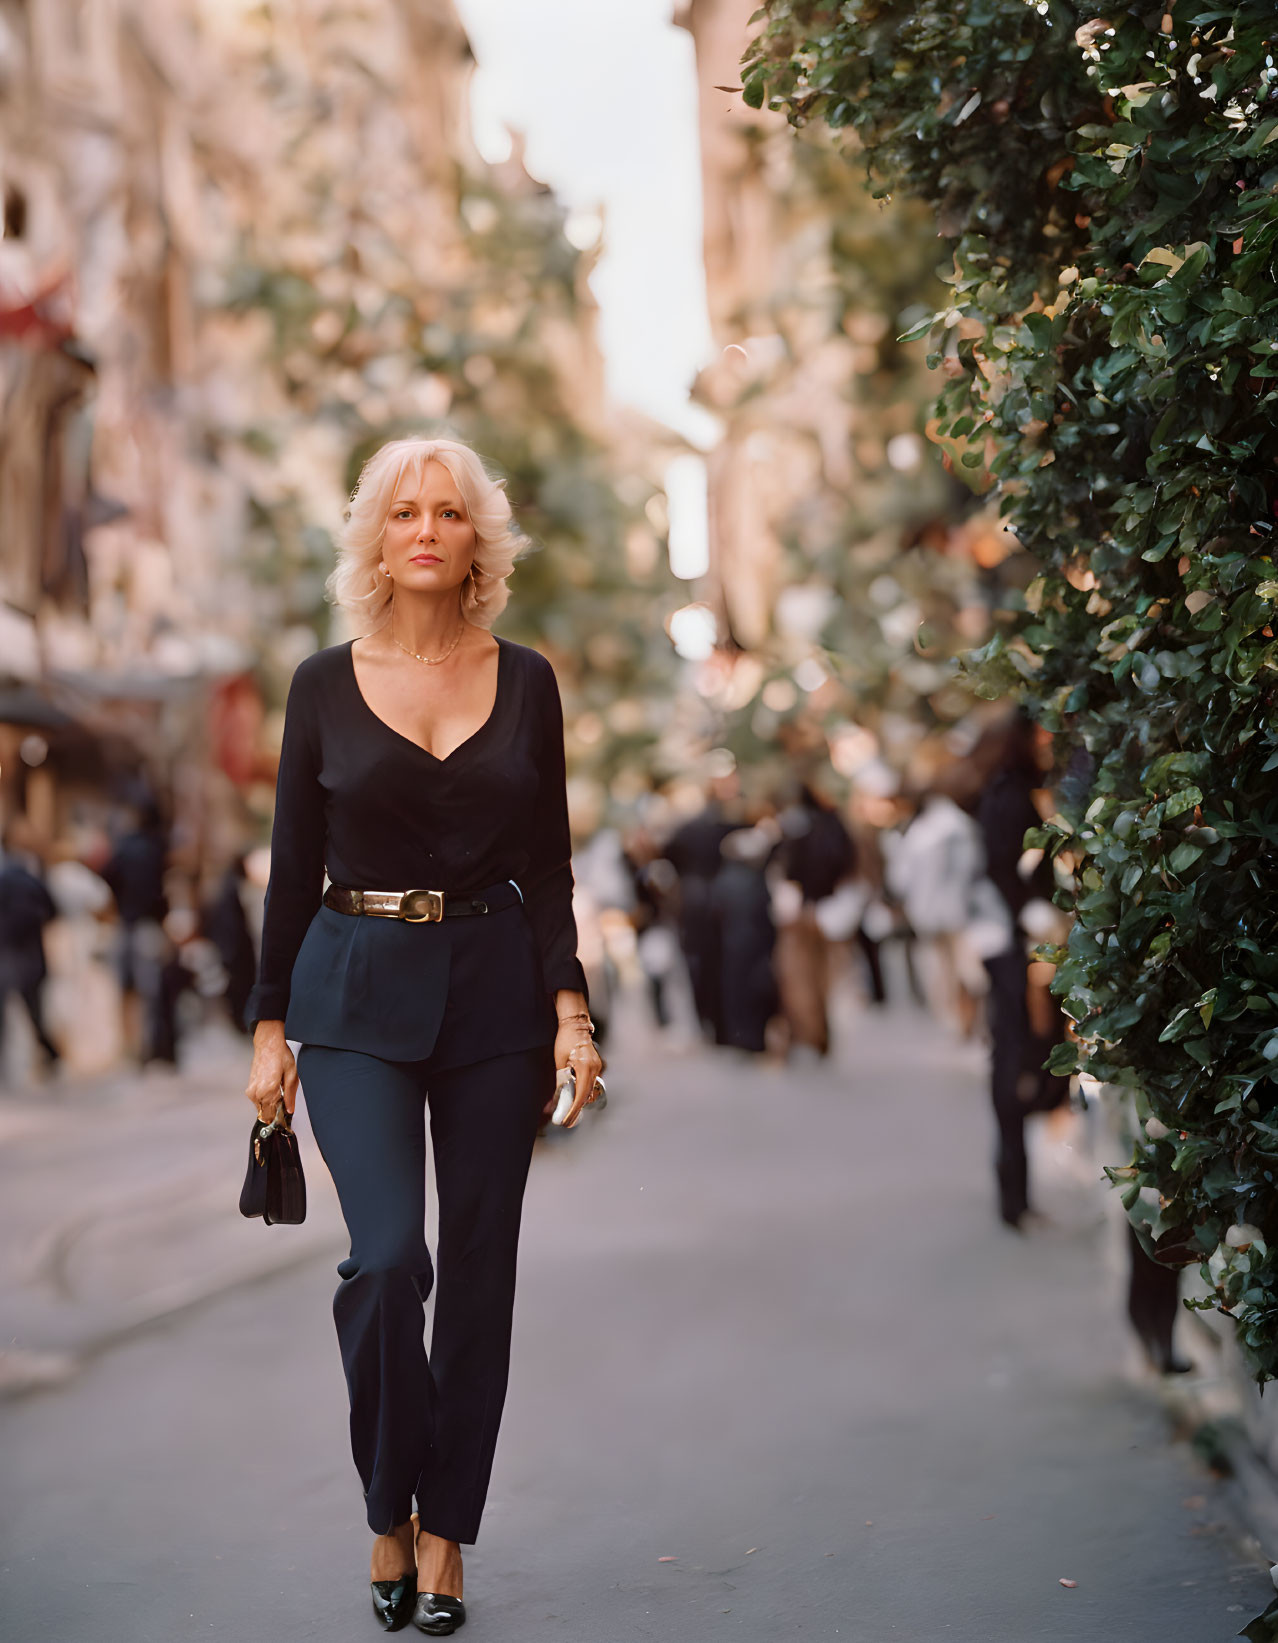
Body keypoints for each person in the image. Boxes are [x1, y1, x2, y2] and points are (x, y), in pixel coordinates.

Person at [242, 435, 604, 1638]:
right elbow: (292, 871)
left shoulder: (531, 678)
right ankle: (384, 1501)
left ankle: (447, 1531)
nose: (428, 530)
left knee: (482, 1277)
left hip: (498, 995)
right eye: (406, 512)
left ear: (478, 539)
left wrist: (571, 1012)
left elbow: (548, 866)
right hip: (351, 995)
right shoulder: (319, 685)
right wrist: (267, 1025)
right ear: (378, 538)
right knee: (389, 1259)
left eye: (450, 512)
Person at [0, 816, 61, 1079]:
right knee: (34, 1011)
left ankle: (47, 1053)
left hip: (9, 949)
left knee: (20, 1010)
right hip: (28, 951)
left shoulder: (16, 874)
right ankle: (50, 1054)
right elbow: (52, 910)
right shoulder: (33, 874)